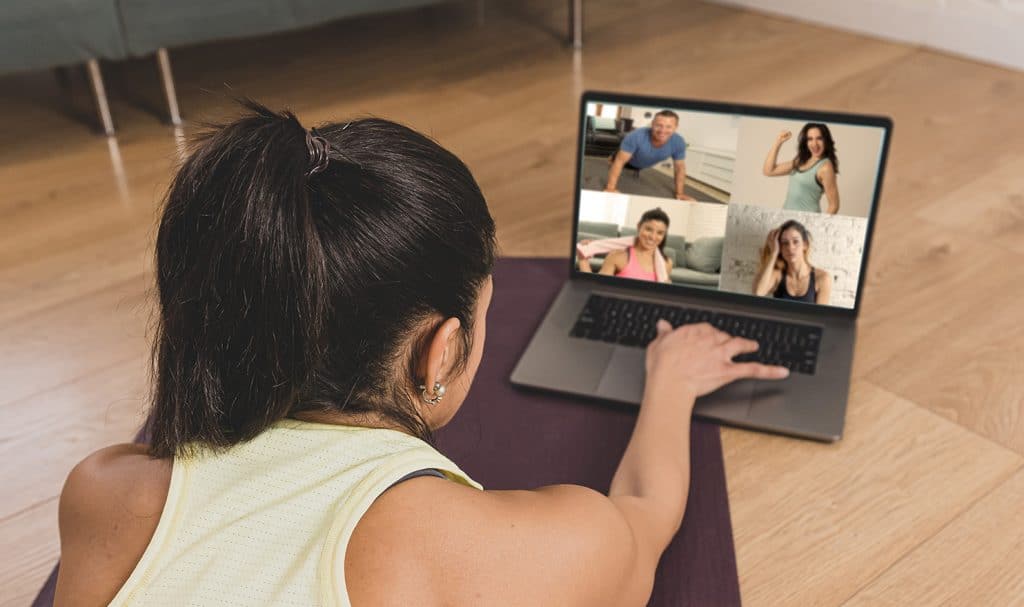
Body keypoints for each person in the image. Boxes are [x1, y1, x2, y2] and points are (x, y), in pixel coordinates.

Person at [54, 101, 788, 606]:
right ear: (440, 353)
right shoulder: (483, 551)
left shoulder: (100, 492)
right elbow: (642, 520)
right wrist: (671, 381)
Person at [604, 110, 696, 201]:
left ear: (676, 127)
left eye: (669, 127)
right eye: (659, 125)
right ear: (652, 124)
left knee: (637, 163)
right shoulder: (636, 136)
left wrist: (680, 193)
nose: (662, 131)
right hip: (629, 160)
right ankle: (612, 155)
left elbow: (680, 168)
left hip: (643, 163)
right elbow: (620, 162)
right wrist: (610, 188)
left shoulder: (678, 142)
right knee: (616, 159)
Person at [577, 208, 674, 283]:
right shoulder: (618, 256)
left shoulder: (666, 263)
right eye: (648, 229)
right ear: (639, 226)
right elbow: (596, 287)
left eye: (660, 233)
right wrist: (582, 258)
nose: (653, 237)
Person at [763, 123, 840, 214]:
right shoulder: (801, 161)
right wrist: (778, 142)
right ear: (806, 142)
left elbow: (834, 205)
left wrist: (818, 226)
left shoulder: (825, 167)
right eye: (810, 139)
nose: (814, 143)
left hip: (806, 222)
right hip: (786, 218)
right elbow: (769, 171)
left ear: (826, 141)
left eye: (819, 138)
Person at [753, 220, 832, 304]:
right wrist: (774, 253)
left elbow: (820, 316)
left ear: (805, 245)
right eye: (785, 243)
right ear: (780, 248)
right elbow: (758, 293)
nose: (790, 248)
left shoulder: (822, 278)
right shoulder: (777, 275)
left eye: (795, 241)